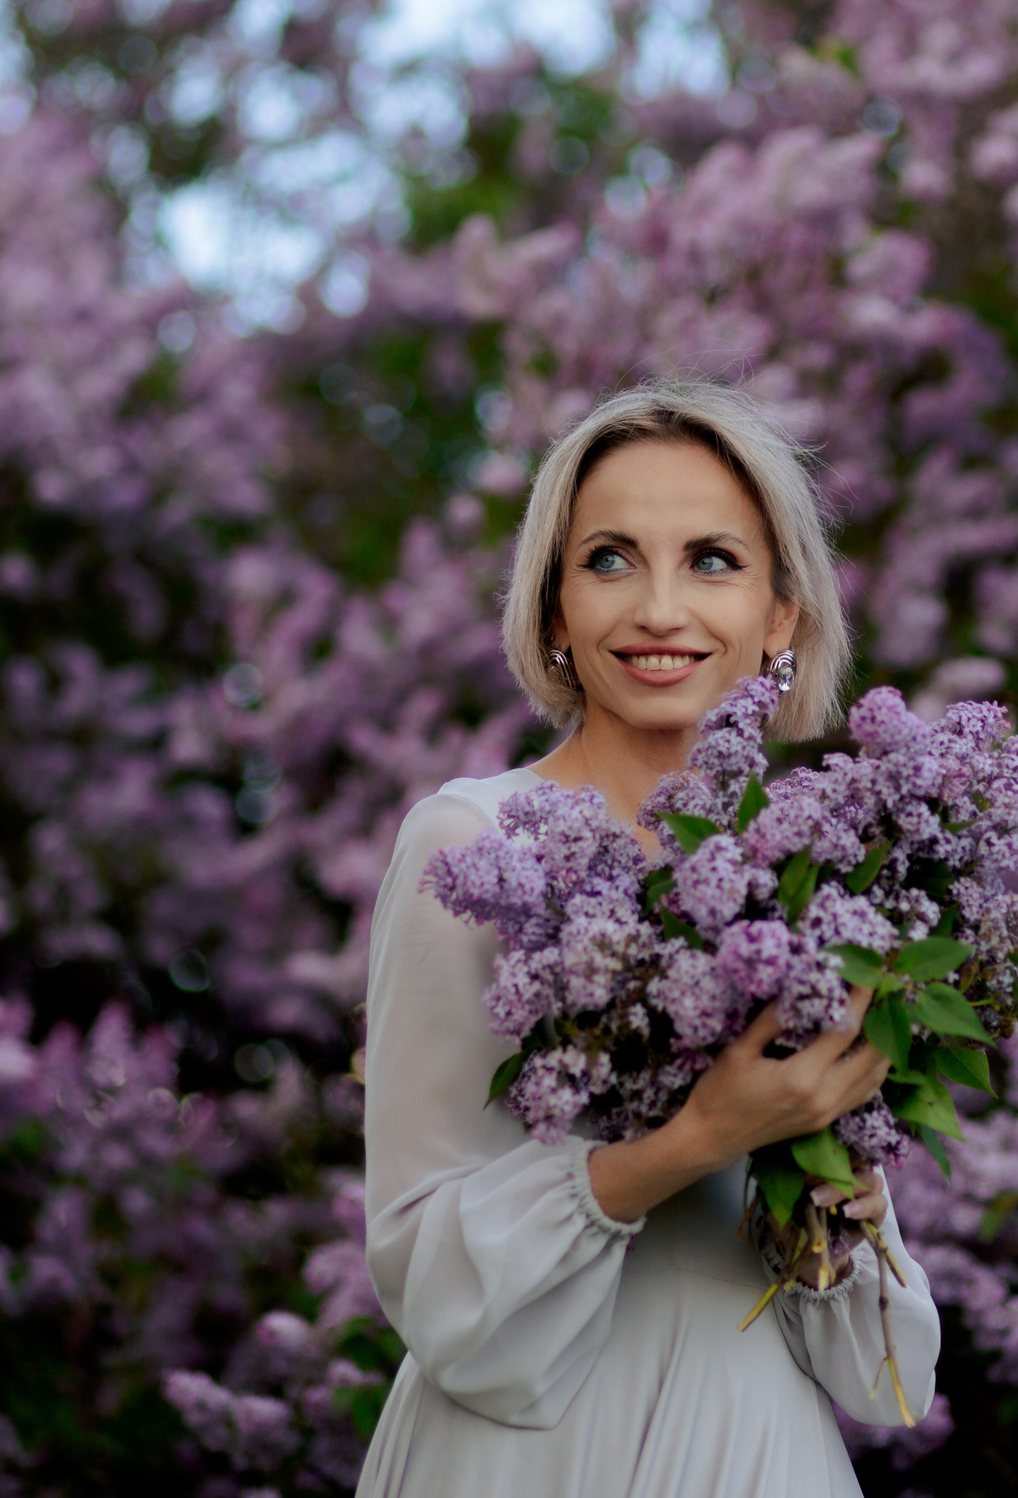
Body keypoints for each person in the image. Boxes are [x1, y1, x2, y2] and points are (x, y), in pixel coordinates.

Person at [355, 380, 940, 1497]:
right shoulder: (468, 847)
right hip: (531, 1450)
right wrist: (693, 1140)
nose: (659, 608)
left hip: (756, 1442)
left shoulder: (823, 876)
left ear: (782, 615)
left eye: (712, 560)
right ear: (551, 609)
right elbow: (424, 1274)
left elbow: (885, 1381)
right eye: (611, 559)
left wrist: (839, 1212)